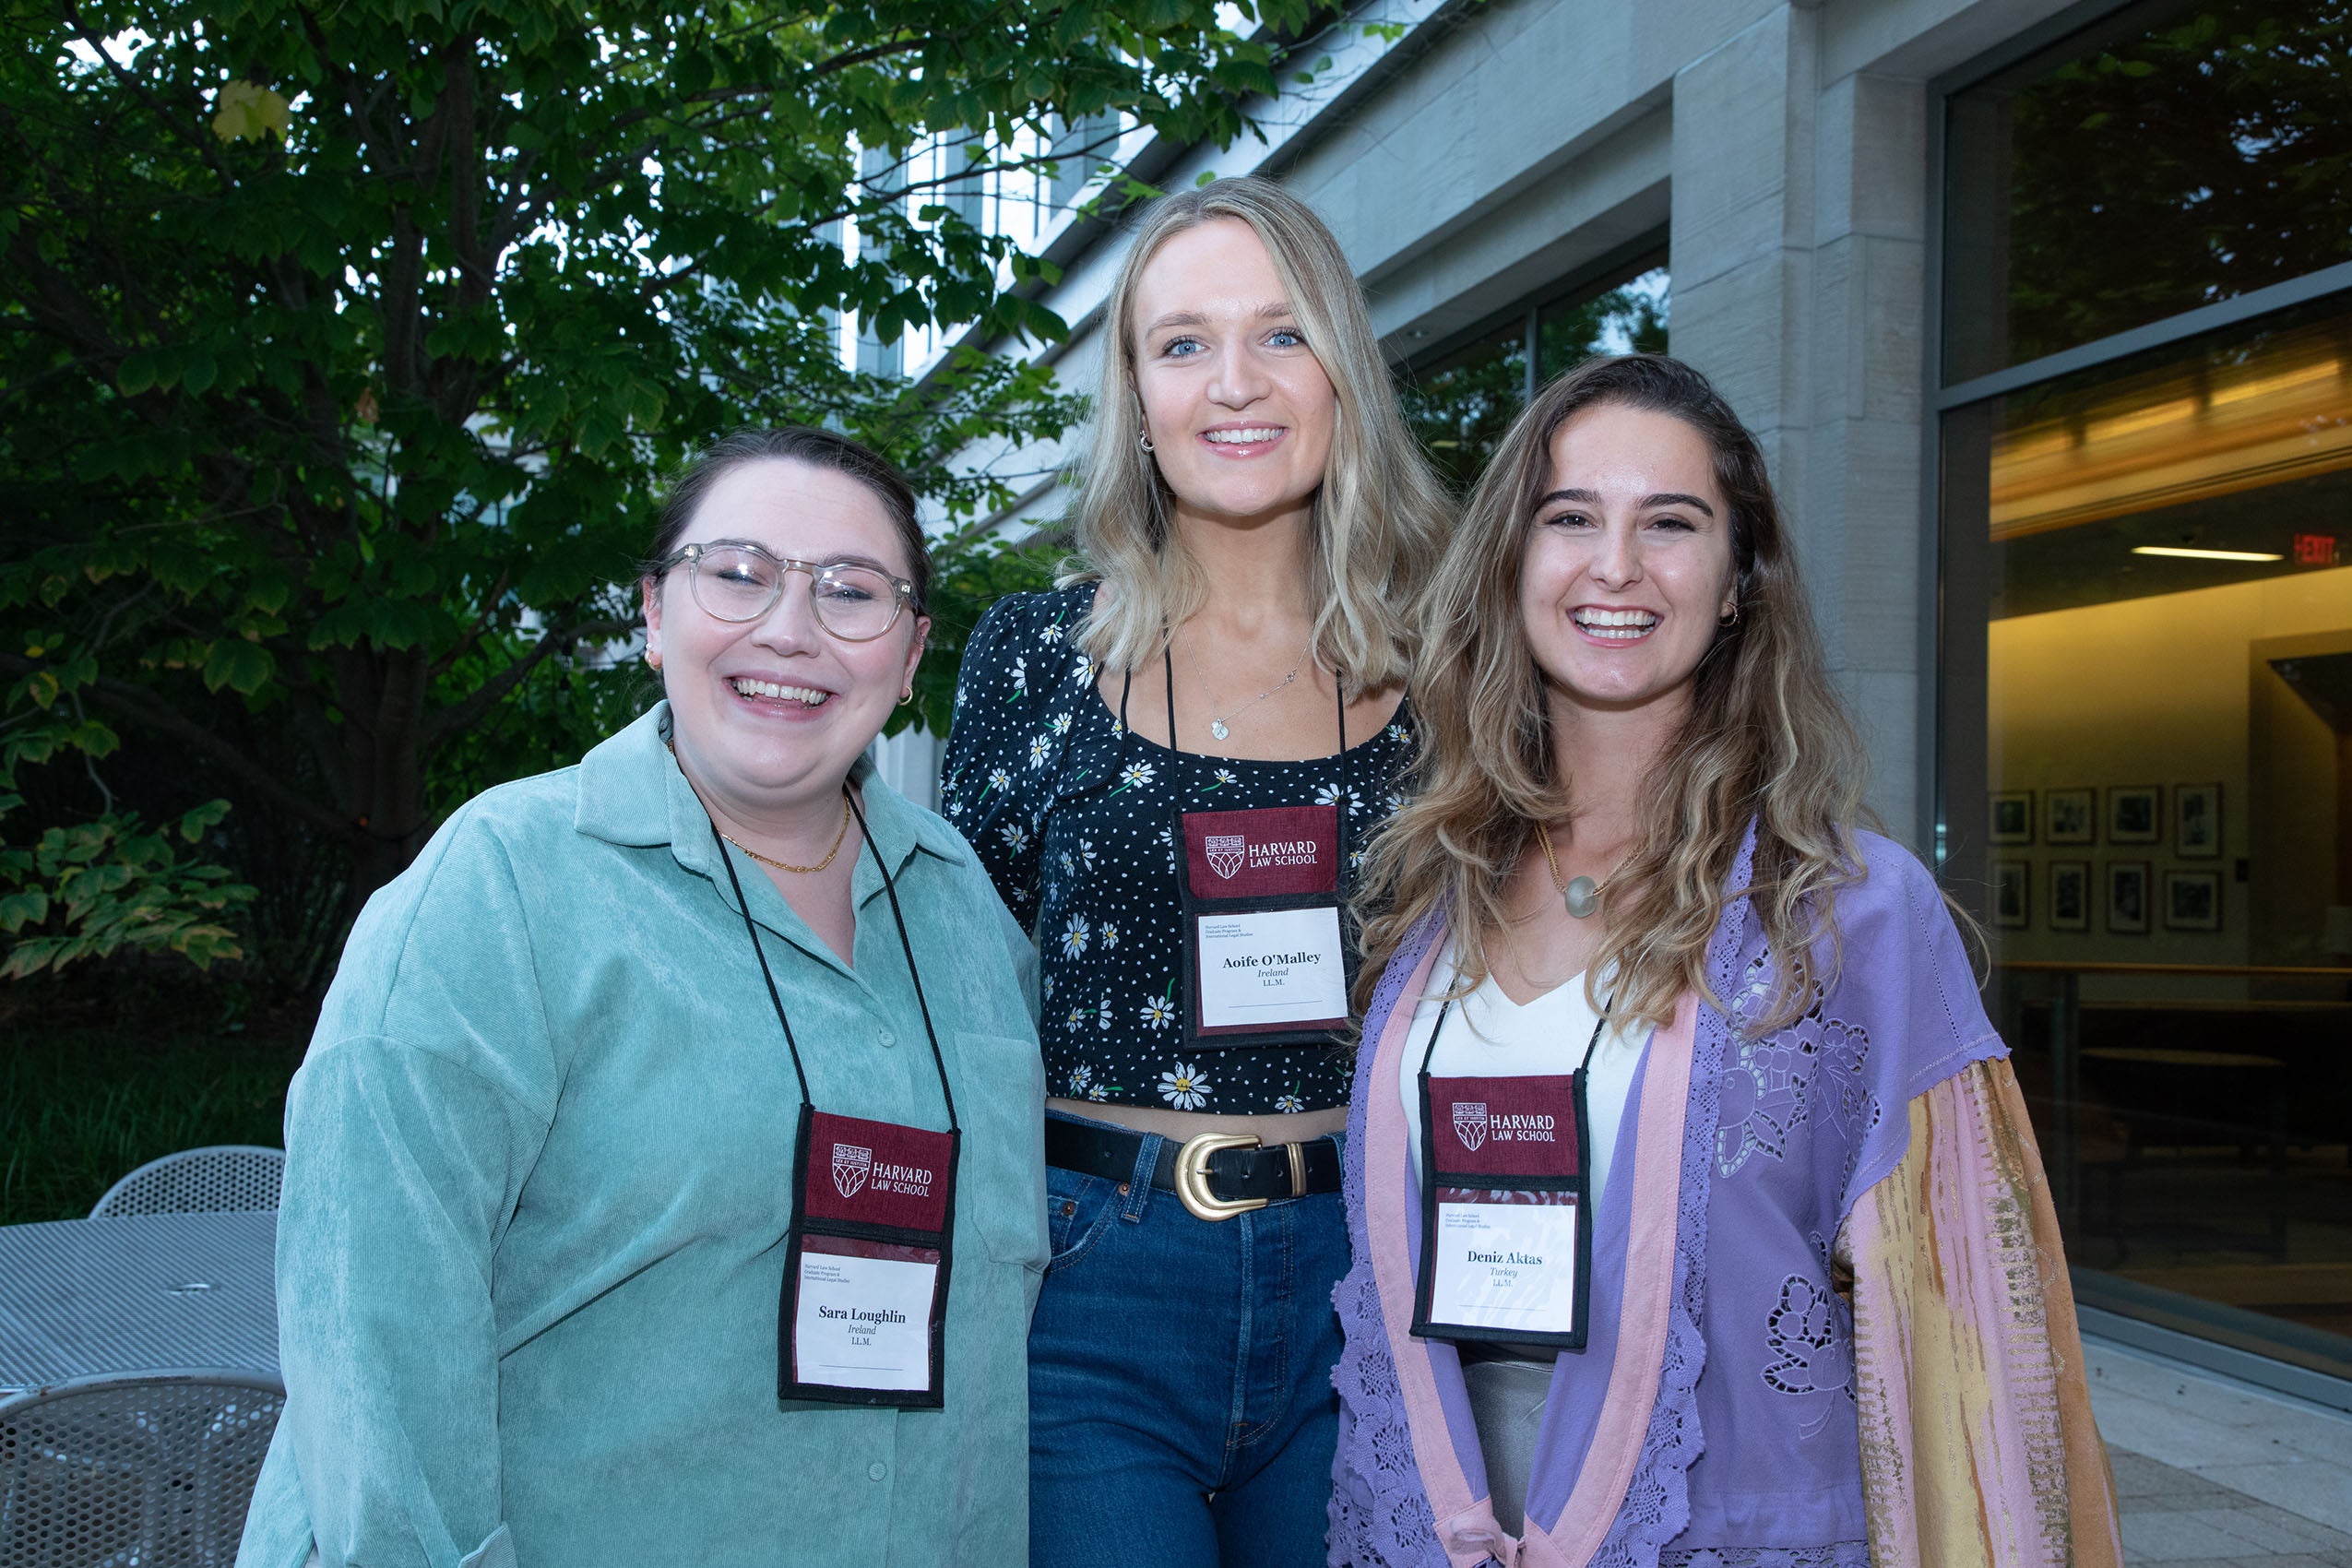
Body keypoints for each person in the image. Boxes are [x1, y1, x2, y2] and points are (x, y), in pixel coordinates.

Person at [1329, 356, 2120, 1567]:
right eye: (1570, 518)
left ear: (1738, 579)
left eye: (1671, 524)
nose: (1615, 566)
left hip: (1726, 1529)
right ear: (1510, 561)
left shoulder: (1850, 915)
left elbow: (1972, 1351)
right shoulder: (1431, 894)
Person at [237, 428, 1046, 1568]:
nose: (789, 628)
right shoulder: (503, 887)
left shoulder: (965, 911)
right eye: (739, 572)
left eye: (851, 591)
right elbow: (373, 1338)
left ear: (910, 655)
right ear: (655, 612)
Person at [942, 176, 1450, 1566]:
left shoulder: (1453, 673)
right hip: (1092, 1286)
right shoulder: (1032, 659)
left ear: (1342, 369)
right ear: (1135, 393)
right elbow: (948, 988)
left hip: (1370, 1280)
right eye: (1181, 343)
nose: (1234, 384)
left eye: (1280, 336)